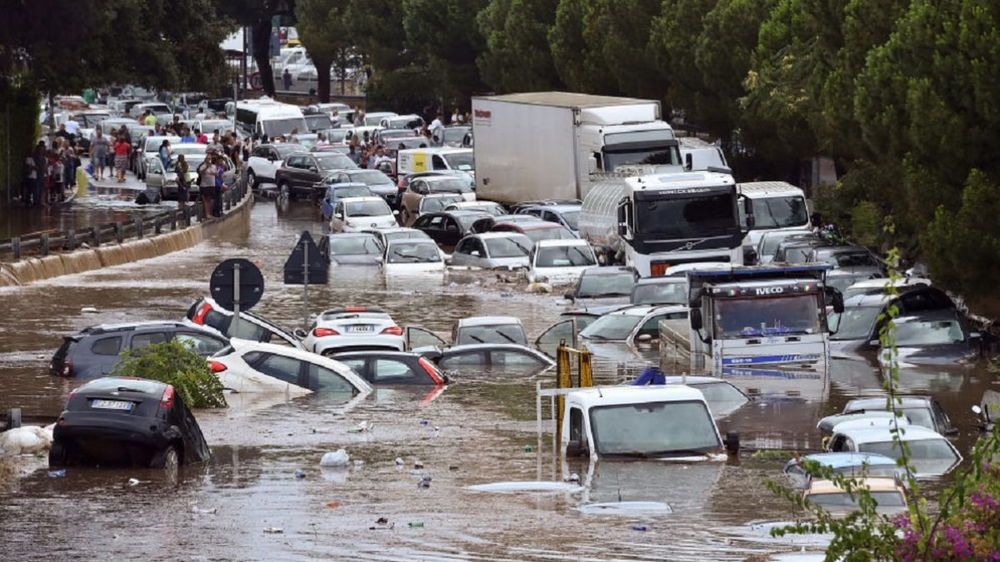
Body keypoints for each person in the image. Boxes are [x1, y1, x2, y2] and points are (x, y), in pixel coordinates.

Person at [198, 153, 217, 218]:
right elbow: (201, 172)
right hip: (205, 185)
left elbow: (215, 174)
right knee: (205, 200)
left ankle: (209, 213)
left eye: (210, 159)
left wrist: (211, 169)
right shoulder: (203, 166)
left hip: (211, 185)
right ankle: (206, 214)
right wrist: (206, 167)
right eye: (208, 159)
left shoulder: (214, 166)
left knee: (209, 200)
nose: (209, 160)